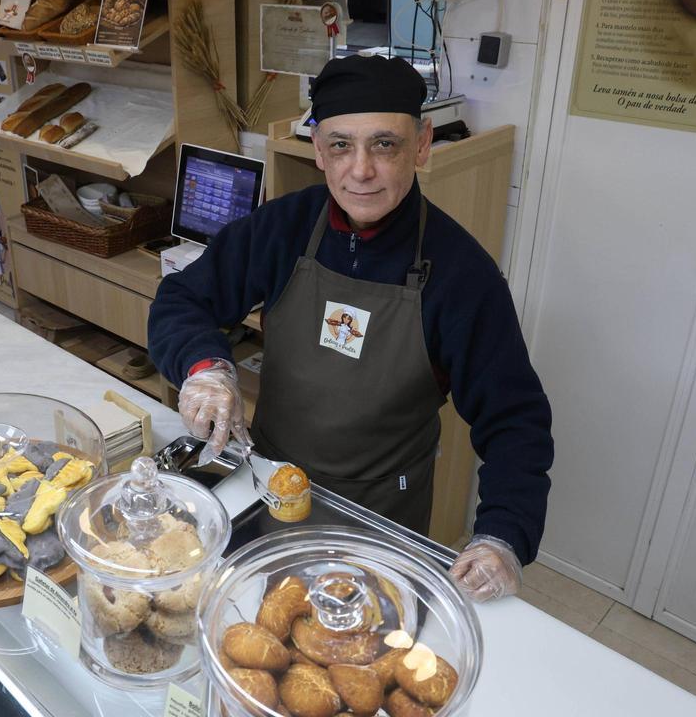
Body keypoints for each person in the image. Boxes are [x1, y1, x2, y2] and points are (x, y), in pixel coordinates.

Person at [148, 53, 554, 602]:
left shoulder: (462, 274)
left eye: (384, 144)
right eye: (341, 145)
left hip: (381, 521)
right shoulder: (283, 228)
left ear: (422, 144)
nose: (360, 170)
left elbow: (515, 419)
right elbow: (182, 298)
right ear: (318, 149)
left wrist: (503, 534)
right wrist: (205, 368)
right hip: (268, 487)